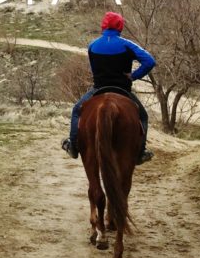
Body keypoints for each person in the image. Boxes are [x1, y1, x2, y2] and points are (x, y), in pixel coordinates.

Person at [62, 11, 156, 165]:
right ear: (120, 26)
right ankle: (140, 152)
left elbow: (93, 69)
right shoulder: (127, 45)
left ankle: (73, 146)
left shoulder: (92, 46)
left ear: (103, 26)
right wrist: (134, 75)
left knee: (76, 110)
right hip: (123, 90)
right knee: (143, 116)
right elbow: (150, 61)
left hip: (99, 88)